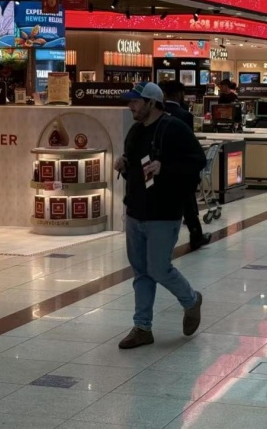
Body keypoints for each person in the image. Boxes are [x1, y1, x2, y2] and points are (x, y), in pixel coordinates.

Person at [114, 82, 205, 349]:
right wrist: (124, 165)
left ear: (152, 103)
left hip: (164, 212)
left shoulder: (174, 128)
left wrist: (165, 167)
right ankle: (142, 327)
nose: (130, 106)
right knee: (141, 272)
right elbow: (135, 165)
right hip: (136, 210)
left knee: (158, 268)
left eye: (135, 101)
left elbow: (197, 160)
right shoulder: (135, 131)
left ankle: (191, 300)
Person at [159, 80, 211, 251]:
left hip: (160, 166)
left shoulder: (156, 112)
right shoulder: (184, 115)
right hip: (181, 168)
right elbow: (189, 144)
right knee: (188, 204)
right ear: (179, 94)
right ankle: (196, 236)